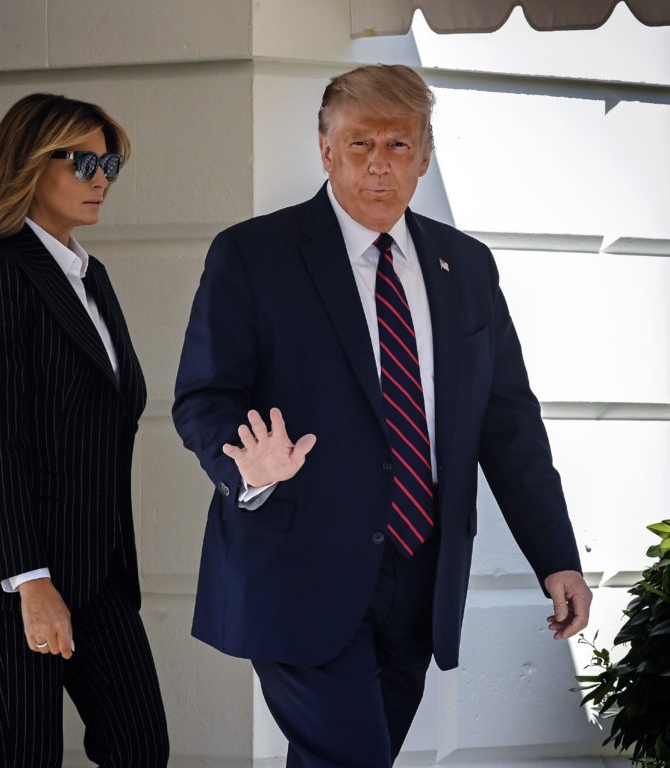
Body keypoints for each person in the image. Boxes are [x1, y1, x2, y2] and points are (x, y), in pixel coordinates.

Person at [172, 64, 592, 767]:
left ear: (425, 157)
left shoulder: (468, 267)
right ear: (325, 149)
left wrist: (556, 559)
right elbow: (203, 397)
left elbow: (509, 424)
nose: (379, 164)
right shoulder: (254, 255)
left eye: (398, 145)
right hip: (297, 568)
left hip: (420, 577)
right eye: (360, 143)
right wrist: (244, 463)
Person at [0, 93, 169, 768]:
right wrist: (32, 583)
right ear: (31, 165)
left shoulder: (93, 278)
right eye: (84, 161)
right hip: (15, 575)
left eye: (110, 162)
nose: (101, 178)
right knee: (24, 758)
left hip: (97, 574)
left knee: (141, 749)